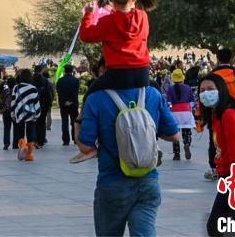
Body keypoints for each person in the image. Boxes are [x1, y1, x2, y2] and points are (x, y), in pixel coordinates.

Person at [77, 74, 179, 236]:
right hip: (148, 181)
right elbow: (174, 135)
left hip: (112, 182)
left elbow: (85, 146)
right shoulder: (152, 93)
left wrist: (77, 123)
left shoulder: (96, 98)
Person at [79, 0, 157, 91]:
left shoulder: (107, 22)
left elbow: (85, 35)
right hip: (142, 75)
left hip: (116, 75)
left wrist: (88, 14)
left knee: (91, 94)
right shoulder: (143, 16)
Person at [200, 73, 235, 237]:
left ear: (221, 91)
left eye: (210, 89)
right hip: (230, 177)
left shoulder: (228, 115)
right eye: (202, 90)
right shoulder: (217, 115)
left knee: (217, 227)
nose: (205, 93)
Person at [11, 69, 41, 162]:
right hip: (30, 114)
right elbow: (36, 103)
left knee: (20, 133)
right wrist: (37, 114)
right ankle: (29, 155)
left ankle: (22, 145)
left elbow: (13, 102)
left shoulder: (16, 87)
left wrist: (13, 113)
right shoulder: (33, 88)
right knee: (30, 134)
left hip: (19, 114)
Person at [165, 69, 195, 160]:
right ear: (182, 78)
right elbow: (192, 102)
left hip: (175, 113)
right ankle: (187, 144)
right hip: (186, 112)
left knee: (175, 133)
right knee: (187, 132)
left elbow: (168, 102)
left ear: (173, 79)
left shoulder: (170, 89)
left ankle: (177, 154)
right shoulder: (188, 88)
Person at [56, 64, 80, 146]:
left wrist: (65, 101)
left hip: (63, 104)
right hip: (73, 104)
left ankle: (66, 140)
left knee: (64, 122)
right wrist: (71, 100)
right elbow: (75, 93)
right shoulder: (76, 80)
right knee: (74, 122)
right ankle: (75, 139)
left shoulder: (60, 81)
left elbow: (59, 92)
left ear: (64, 71)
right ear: (72, 71)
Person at [33, 68, 52, 148]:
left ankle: (34, 139)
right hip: (43, 105)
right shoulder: (45, 81)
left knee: (34, 123)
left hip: (34, 105)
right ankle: (41, 140)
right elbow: (48, 94)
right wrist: (49, 104)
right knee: (42, 122)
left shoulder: (31, 79)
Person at [0, 76, 16, 150]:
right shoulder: (17, 91)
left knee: (6, 128)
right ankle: (15, 143)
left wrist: (1, 108)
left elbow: (1, 100)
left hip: (6, 111)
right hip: (15, 111)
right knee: (16, 128)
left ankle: (6, 143)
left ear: (7, 84)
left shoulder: (5, 91)